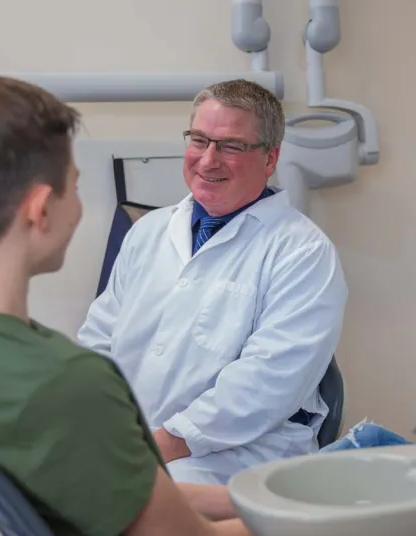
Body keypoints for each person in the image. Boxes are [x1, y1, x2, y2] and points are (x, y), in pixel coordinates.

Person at [0, 74, 257, 536]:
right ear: (41, 209)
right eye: (75, 185)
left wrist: (262, 496)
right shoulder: (65, 385)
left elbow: (118, 488)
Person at [77, 79, 348, 485]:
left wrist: (155, 448)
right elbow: (98, 340)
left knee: (138, 504)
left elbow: (263, 386)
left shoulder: (304, 253)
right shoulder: (148, 231)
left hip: (238, 454)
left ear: (270, 159)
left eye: (231, 146)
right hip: (133, 438)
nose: (208, 160)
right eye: (199, 140)